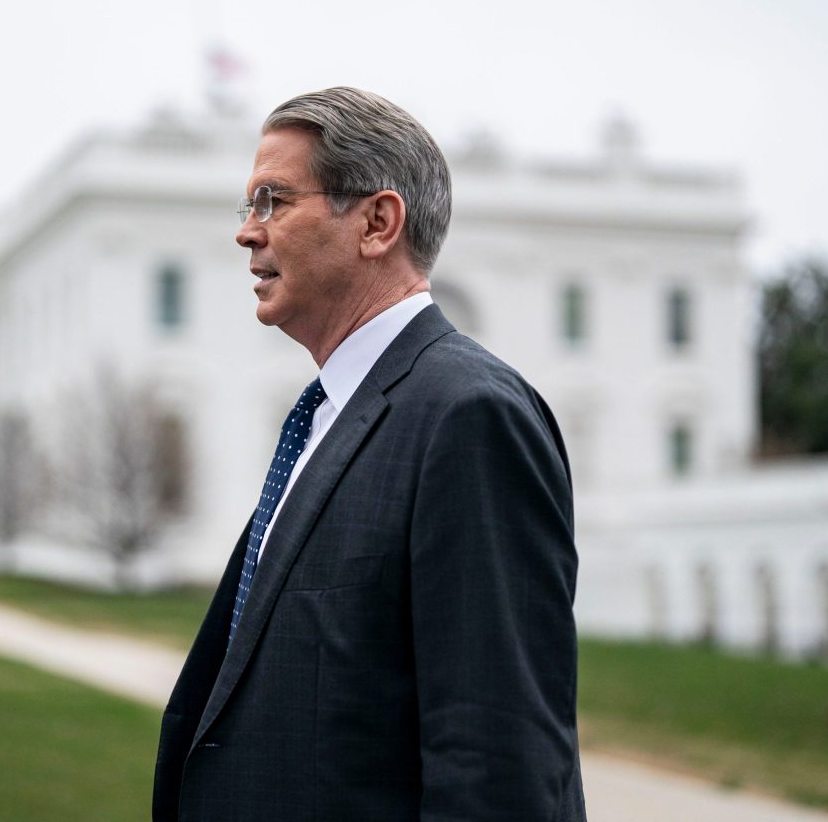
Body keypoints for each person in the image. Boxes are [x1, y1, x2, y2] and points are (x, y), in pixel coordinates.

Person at [153, 87, 585, 821]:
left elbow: (497, 765)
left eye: (273, 202)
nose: (247, 234)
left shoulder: (469, 417)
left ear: (378, 223)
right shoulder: (331, 414)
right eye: (247, 208)